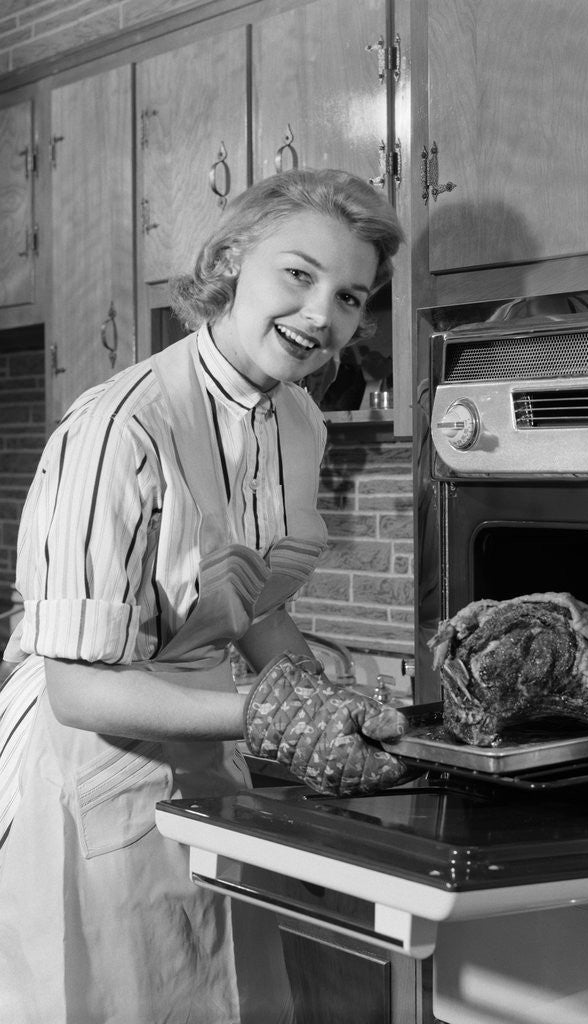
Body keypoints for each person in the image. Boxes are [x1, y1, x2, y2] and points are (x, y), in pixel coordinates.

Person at [0, 168, 408, 1024]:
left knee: (227, 998)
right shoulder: (120, 425)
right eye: (297, 274)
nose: (320, 315)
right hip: (92, 768)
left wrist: (324, 706)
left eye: (348, 296)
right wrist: (273, 714)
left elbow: (251, 605)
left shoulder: (297, 420)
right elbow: (78, 691)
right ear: (229, 263)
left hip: (204, 758)